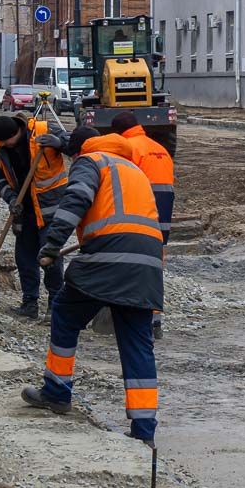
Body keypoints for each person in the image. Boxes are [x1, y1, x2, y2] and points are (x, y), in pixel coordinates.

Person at [21, 127, 163, 446]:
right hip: (148, 265)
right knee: (137, 342)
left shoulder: (91, 160)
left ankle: (57, 391)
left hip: (109, 257)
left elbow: (76, 200)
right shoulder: (133, 169)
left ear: (79, 149)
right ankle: (144, 431)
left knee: (66, 312)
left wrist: (52, 245)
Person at [0, 113, 68, 318]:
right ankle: (29, 303)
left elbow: (78, 146)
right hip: (24, 211)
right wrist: (12, 199)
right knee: (24, 258)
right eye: (2, 142)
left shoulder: (42, 131)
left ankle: (55, 303)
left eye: (9, 141)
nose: (6, 145)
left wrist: (60, 142)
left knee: (49, 256)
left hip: (50, 209)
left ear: (19, 131)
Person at [111, 111, 174, 337]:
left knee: (131, 263)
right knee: (155, 265)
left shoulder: (128, 148)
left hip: (141, 213)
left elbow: (121, 183)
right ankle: (155, 321)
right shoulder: (160, 149)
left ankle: (130, 314)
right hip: (163, 216)